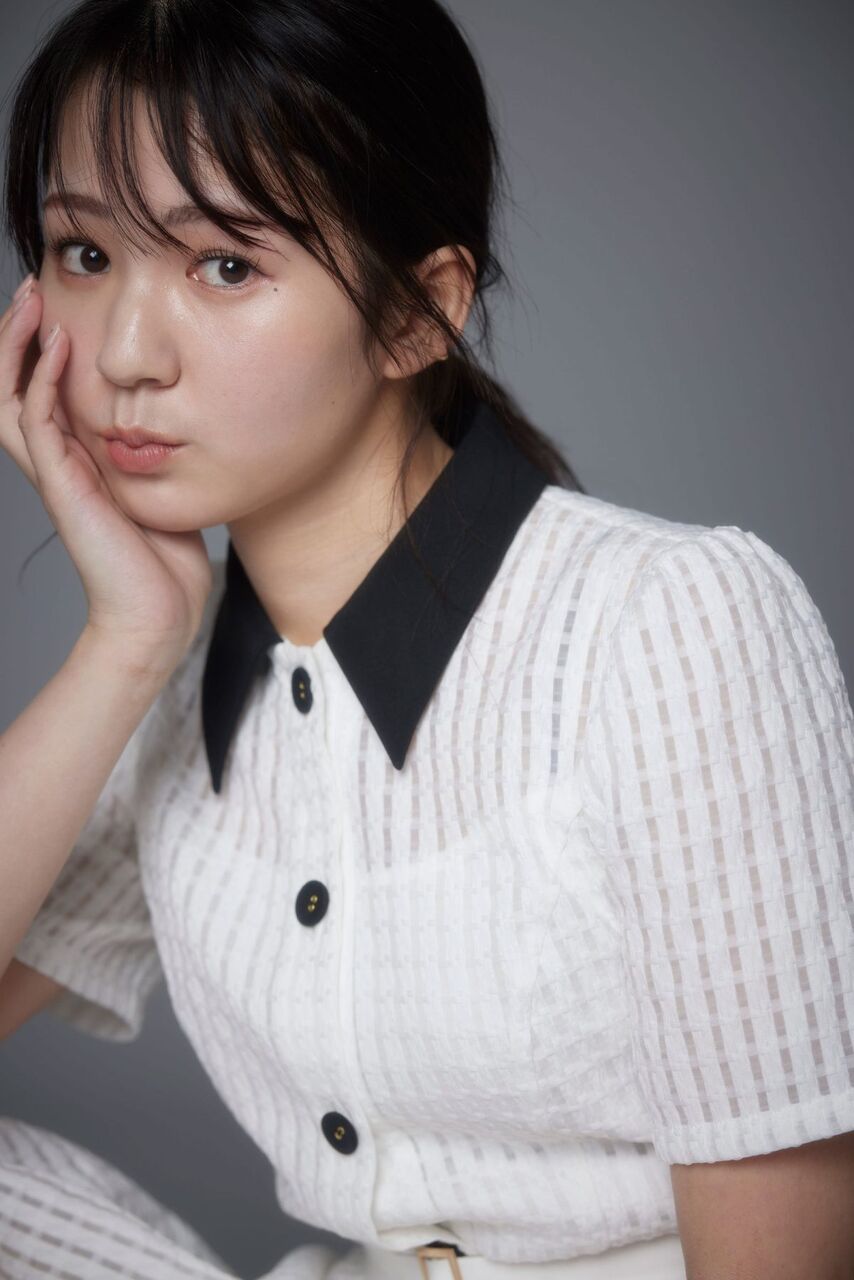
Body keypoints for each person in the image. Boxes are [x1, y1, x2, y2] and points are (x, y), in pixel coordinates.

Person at [1, 2, 853, 1278]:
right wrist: (124, 641)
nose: (124, 353)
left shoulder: (673, 627)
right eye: (82, 252)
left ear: (415, 310)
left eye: (223, 265)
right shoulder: (177, 685)